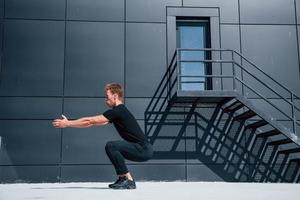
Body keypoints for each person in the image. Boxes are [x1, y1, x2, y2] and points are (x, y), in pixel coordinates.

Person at [52, 83, 153, 189]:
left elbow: (90, 121)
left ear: (115, 95)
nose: (105, 99)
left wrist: (68, 123)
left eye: (107, 96)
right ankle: (124, 178)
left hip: (143, 149)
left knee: (112, 146)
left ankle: (128, 179)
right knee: (112, 146)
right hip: (143, 149)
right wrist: (75, 123)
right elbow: (93, 122)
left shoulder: (118, 111)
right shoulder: (119, 112)